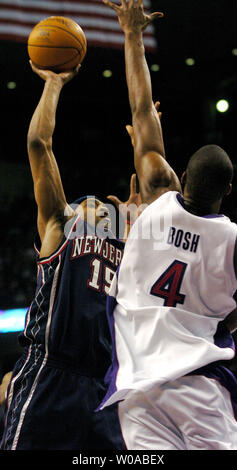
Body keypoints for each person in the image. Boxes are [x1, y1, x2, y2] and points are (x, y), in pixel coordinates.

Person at [99, 0, 237, 450]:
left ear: (182, 177)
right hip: (198, 385)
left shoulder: (157, 192)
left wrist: (133, 36)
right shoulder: (232, 241)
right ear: (228, 191)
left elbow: (141, 110)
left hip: (137, 387)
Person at [0, 61, 140, 450]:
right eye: (88, 203)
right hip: (51, 373)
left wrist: (145, 142)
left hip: (104, 384)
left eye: (104, 206)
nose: (99, 205)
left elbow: (161, 197)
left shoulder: (123, 248)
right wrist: (53, 84)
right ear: (72, 211)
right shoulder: (60, 227)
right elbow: (38, 145)